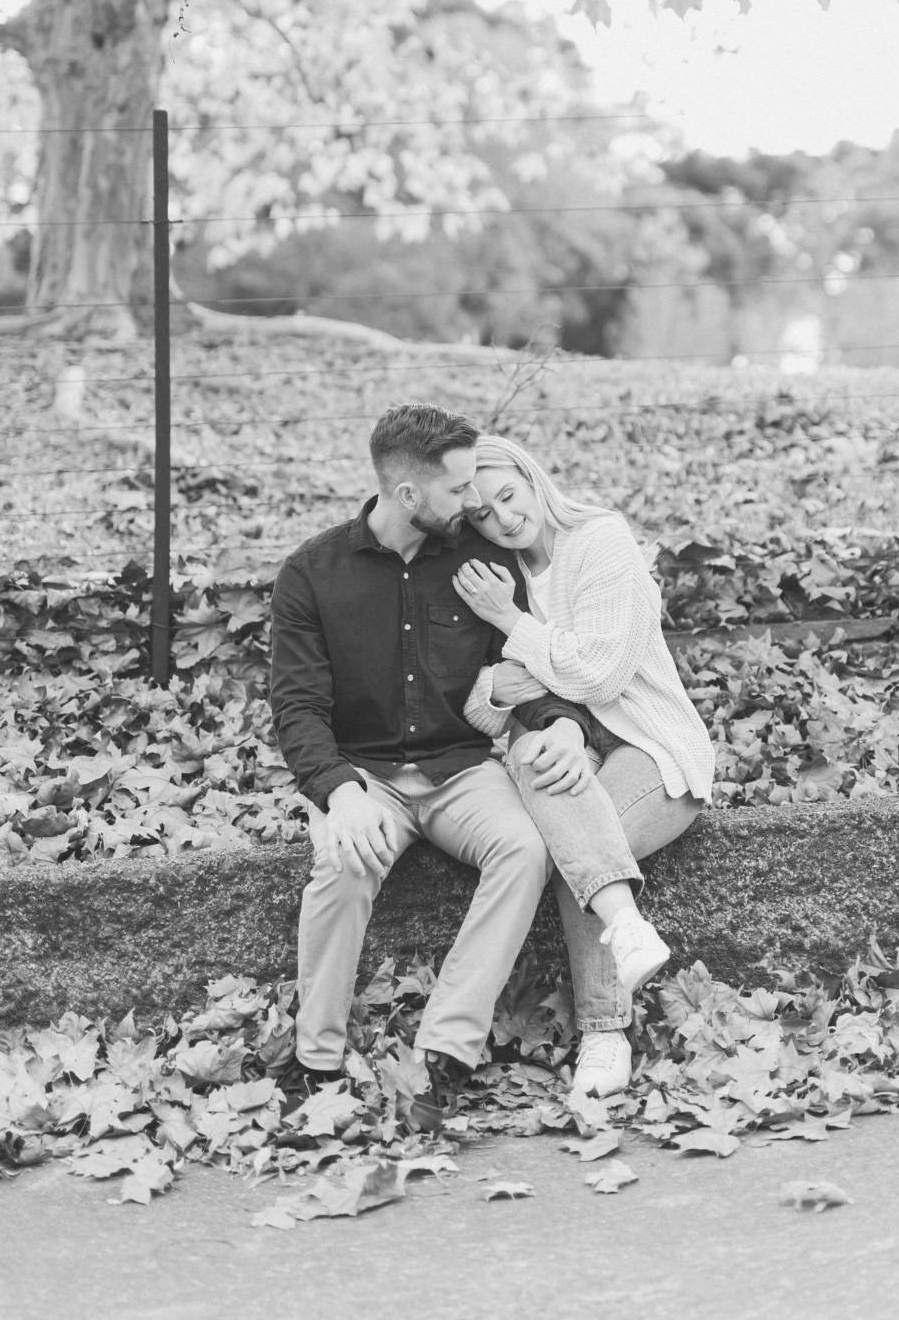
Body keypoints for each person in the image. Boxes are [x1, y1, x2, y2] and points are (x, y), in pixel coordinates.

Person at [269, 403, 591, 1132]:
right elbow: (297, 709)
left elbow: (519, 672)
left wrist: (564, 726)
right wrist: (338, 792)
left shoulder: (483, 564)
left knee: (525, 847)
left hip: (461, 771)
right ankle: (315, 1063)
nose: (473, 500)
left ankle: (444, 1053)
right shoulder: (312, 574)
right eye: (458, 487)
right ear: (408, 493)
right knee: (343, 862)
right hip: (365, 775)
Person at [453, 434, 716, 1099]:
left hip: (649, 743)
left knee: (583, 848)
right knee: (536, 762)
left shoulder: (600, 541)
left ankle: (605, 1032)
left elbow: (600, 676)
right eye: (482, 513)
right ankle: (626, 927)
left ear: (532, 478)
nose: (504, 518)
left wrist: (511, 624)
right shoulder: (494, 571)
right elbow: (476, 702)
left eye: (508, 495)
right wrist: (524, 696)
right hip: (563, 743)